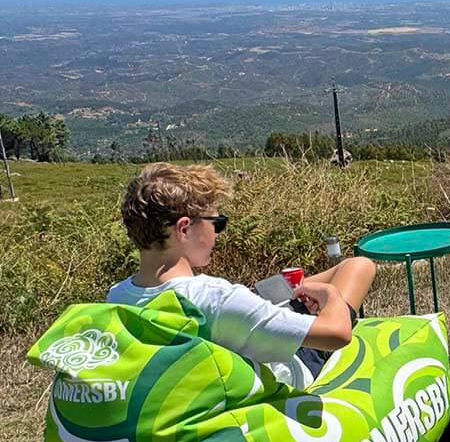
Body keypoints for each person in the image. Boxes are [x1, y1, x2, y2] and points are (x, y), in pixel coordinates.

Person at [107, 162, 377, 387]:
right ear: (184, 229)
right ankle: (303, 294)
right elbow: (337, 334)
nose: (218, 234)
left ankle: (296, 293)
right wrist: (329, 296)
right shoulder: (215, 298)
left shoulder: (117, 296)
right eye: (217, 223)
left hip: (228, 351)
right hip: (290, 370)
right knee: (359, 267)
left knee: (299, 286)